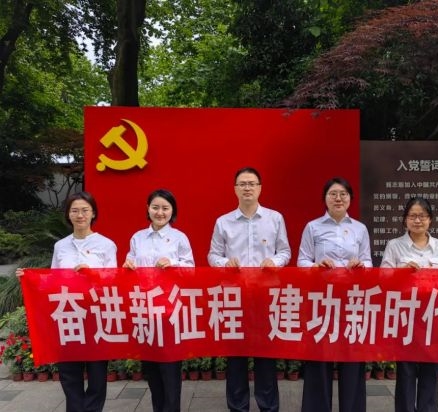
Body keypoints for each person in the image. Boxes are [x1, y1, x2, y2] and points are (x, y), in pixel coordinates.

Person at [18, 191, 117, 412]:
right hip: (68, 314)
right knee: (69, 373)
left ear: (93, 213)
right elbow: (53, 280)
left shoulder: (106, 245)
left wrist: (92, 274)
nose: (80, 215)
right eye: (75, 211)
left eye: (85, 210)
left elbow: (113, 280)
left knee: (97, 373)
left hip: (95, 315)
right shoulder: (61, 246)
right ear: (68, 215)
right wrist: (29, 278)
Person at [207, 167, 291, 412]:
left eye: (251, 183)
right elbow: (213, 255)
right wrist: (225, 263)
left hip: (265, 295)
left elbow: (285, 251)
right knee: (236, 357)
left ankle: (268, 406)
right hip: (235, 296)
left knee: (266, 355)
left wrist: (273, 261)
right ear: (235, 189)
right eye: (242, 184)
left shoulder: (275, 218)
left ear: (260, 188)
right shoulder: (223, 222)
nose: (247, 188)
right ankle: (238, 406)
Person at [298, 177, 372, 412]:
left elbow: (369, 261)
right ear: (325, 198)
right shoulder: (313, 227)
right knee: (320, 357)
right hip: (322, 300)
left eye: (343, 194)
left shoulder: (360, 229)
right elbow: (302, 261)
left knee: (352, 357)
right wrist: (316, 266)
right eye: (333, 194)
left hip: (352, 301)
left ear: (350, 198)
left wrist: (361, 266)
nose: (338, 198)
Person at [123, 188, 194, 412]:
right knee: (151, 368)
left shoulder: (179, 237)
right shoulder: (137, 237)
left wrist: (174, 264)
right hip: (144, 309)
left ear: (172, 211)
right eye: (155, 207)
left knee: (170, 367)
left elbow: (191, 270)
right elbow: (130, 263)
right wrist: (127, 266)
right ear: (148, 209)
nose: (160, 212)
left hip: (170, 311)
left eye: (165, 208)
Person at [380, 196, 438, 412]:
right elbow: (383, 277)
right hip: (406, 315)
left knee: (431, 369)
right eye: (412, 216)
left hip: (433, 315)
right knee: (406, 369)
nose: (417, 220)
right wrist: (400, 272)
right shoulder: (394, 245)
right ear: (405, 220)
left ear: (430, 219)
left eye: (422, 216)